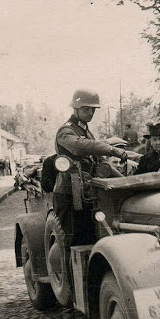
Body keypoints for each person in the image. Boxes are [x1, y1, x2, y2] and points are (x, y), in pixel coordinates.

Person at [54, 89, 129, 246]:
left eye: (93, 109)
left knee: (94, 238)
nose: (90, 113)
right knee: (75, 243)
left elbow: (100, 161)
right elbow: (80, 146)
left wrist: (126, 182)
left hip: (88, 193)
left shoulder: (86, 131)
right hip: (69, 195)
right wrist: (113, 150)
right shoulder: (66, 130)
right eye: (86, 109)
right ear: (76, 108)